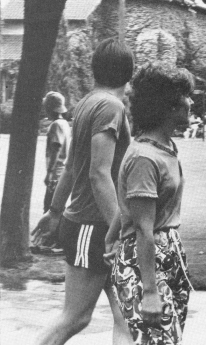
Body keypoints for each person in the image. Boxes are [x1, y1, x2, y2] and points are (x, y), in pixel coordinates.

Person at [32, 38, 135, 345]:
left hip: (93, 225)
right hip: (95, 227)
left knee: (126, 318)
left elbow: (70, 168)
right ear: (129, 72)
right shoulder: (110, 107)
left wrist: (53, 212)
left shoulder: (87, 103)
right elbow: (97, 173)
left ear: (95, 70)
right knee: (75, 316)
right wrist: (120, 228)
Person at [108, 62, 195, 344]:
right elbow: (144, 229)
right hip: (145, 261)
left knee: (164, 341)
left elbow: (129, 209)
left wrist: (111, 238)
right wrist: (149, 292)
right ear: (168, 105)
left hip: (168, 253)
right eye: (185, 95)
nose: (191, 101)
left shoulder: (165, 148)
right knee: (161, 341)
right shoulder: (145, 158)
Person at [31, 92, 71, 255]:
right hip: (61, 171)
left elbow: (55, 148)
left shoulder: (55, 125)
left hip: (57, 172)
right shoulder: (64, 124)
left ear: (49, 108)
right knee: (55, 208)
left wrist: (49, 173)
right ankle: (52, 241)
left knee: (51, 208)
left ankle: (53, 242)